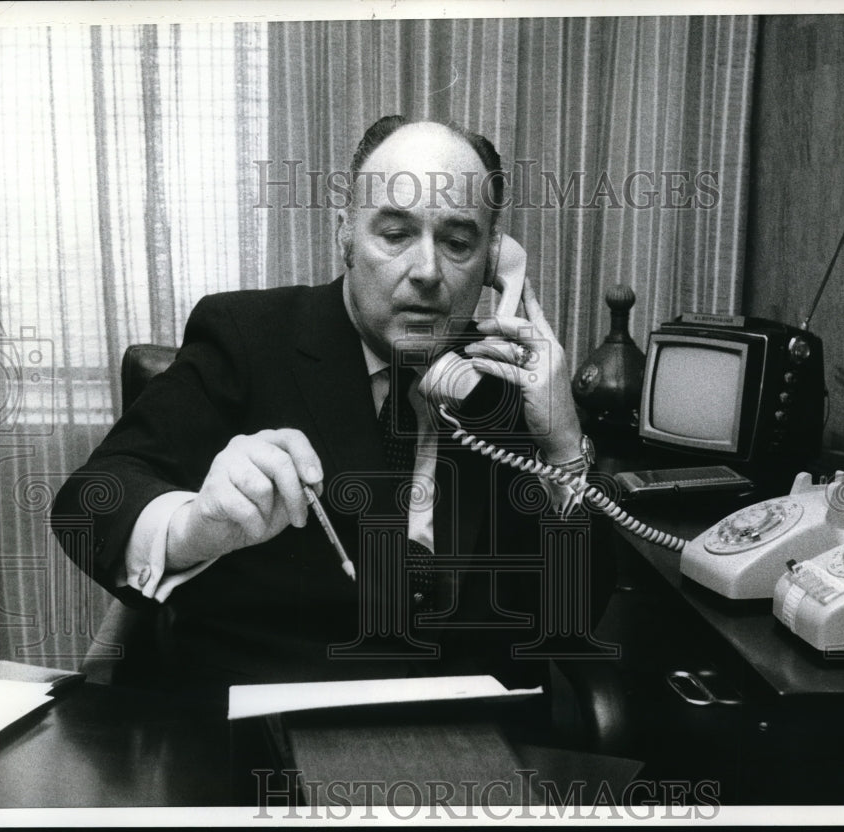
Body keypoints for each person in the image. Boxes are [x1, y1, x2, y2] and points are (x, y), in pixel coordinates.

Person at [51, 115, 605, 695]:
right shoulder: (245, 336)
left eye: (457, 242)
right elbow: (87, 502)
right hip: (270, 738)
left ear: (493, 262)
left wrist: (564, 446)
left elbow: (570, 624)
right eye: (394, 234)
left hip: (470, 744)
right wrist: (195, 526)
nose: (426, 272)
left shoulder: (508, 381)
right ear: (344, 234)